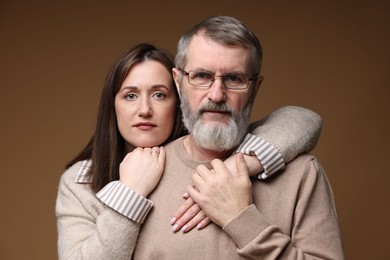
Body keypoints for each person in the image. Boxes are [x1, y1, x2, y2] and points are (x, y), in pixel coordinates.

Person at [56, 43, 322, 259]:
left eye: (160, 95)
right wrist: (129, 194)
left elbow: (301, 119)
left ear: (181, 97)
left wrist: (237, 166)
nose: (144, 109)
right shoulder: (81, 180)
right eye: (130, 95)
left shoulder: (208, 149)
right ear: (112, 105)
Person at [131, 16, 344, 259]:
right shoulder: (140, 175)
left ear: (255, 87)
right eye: (201, 76)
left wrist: (241, 221)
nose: (217, 94)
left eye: (234, 79)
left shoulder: (302, 174)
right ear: (179, 82)